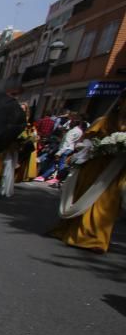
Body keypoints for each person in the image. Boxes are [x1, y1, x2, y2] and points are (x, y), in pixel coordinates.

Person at [51, 96, 126, 252]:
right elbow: (85, 144)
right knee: (88, 197)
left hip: (117, 169)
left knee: (108, 203)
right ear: (121, 102)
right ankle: (80, 234)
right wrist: (101, 146)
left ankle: (96, 238)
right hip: (95, 166)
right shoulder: (103, 121)